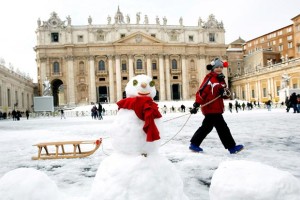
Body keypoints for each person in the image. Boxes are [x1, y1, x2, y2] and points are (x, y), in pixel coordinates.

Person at [189, 58, 244, 154]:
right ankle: (231, 147)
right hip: (210, 108)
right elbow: (202, 92)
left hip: (217, 107)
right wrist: (197, 104)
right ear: (212, 68)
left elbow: (226, 95)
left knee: (207, 127)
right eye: (217, 67)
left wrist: (224, 93)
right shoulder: (209, 78)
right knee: (222, 128)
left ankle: (194, 144)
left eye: (221, 67)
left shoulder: (221, 79)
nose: (219, 69)